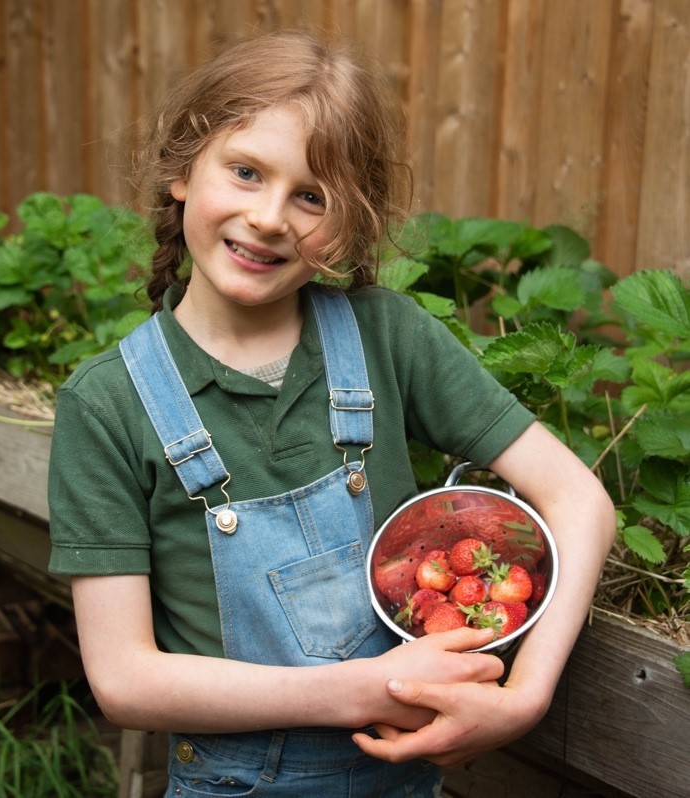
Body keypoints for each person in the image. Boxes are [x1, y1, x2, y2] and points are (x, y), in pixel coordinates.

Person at [47, 29, 616, 797]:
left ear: (349, 222)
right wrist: (365, 688)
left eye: (310, 196)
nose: (270, 217)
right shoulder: (109, 404)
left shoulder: (386, 336)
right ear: (183, 168)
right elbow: (124, 681)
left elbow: (577, 498)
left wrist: (522, 700)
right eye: (245, 172)